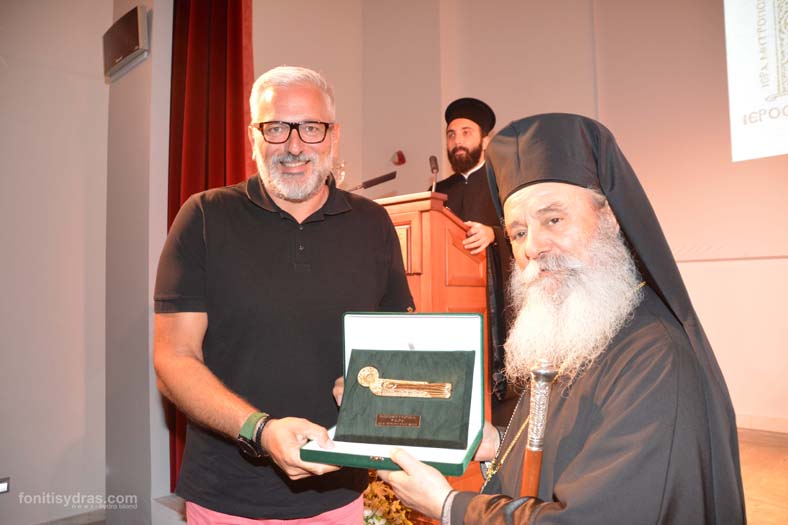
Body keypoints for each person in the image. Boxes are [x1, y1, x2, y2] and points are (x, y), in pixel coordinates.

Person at [379, 113, 746, 523]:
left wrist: (449, 506)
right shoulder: (582, 330)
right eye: (518, 233)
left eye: (553, 219)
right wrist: (496, 445)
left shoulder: (655, 360)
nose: (532, 248)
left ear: (610, 219)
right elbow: (566, 450)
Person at [153, 66, 414, 523]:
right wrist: (260, 431)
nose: (294, 146)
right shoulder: (205, 217)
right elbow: (173, 359)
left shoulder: (373, 224)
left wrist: (372, 387)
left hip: (340, 493)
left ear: (333, 136)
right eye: (276, 127)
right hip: (226, 498)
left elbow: (401, 343)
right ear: (253, 136)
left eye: (311, 128)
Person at [434, 98, 514, 422]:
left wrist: (494, 233)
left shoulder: (504, 181)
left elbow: (525, 230)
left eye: (466, 132)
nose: (457, 141)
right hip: (449, 304)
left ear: (485, 140)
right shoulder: (438, 190)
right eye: (451, 135)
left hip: (497, 302)